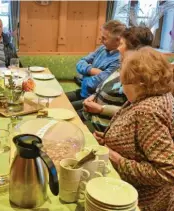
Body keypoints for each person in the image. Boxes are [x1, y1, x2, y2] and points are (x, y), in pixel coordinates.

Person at [94, 47, 174, 211]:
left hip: (141, 201)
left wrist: (117, 159)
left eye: (124, 83)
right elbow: (139, 139)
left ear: (140, 84)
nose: (122, 88)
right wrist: (108, 140)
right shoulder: (152, 96)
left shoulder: (148, 112)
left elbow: (168, 172)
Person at [81, 26, 154, 132]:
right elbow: (105, 84)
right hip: (93, 118)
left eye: (121, 44)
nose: (118, 48)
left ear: (133, 49)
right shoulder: (123, 65)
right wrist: (94, 96)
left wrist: (102, 109)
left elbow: (136, 113)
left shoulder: (139, 76)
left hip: (106, 128)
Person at [66, 20, 126, 110]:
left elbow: (97, 84)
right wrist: (92, 71)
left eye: (104, 38)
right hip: (83, 92)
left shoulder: (119, 59)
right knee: (58, 99)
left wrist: (84, 76)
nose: (101, 40)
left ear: (117, 40)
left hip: (94, 98)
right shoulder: (102, 48)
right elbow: (80, 62)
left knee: (65, 108)